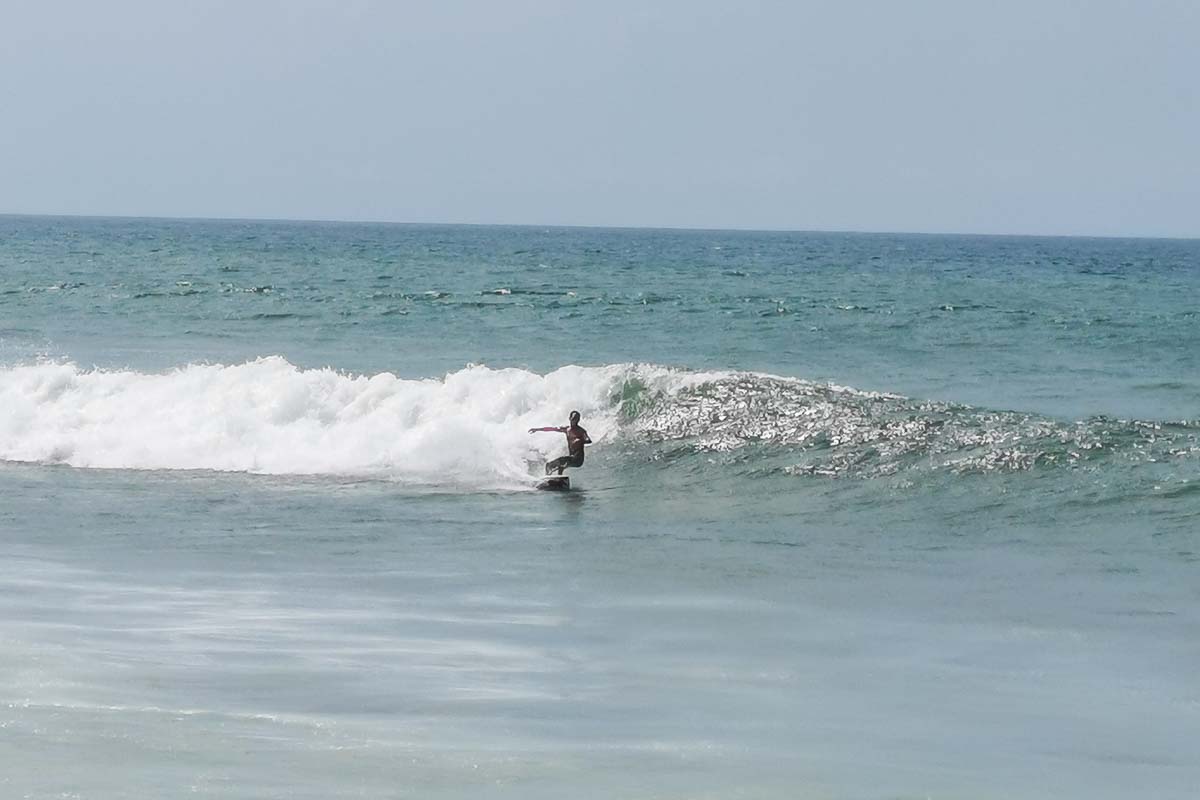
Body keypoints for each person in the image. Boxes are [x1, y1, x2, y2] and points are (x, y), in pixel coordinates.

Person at [529, 410, 592, 475]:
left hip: (578, 460)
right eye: (573, 418)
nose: (575, 421)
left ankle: (556, 474)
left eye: (577, 419)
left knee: (562, 461)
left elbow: (588, 440)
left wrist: (580, 440)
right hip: (570, 458)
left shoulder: (581, 431)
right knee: (552, 466)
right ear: (570, 418)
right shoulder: (567, 429)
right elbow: (552, 429)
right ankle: (551, 478)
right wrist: (537, 429)